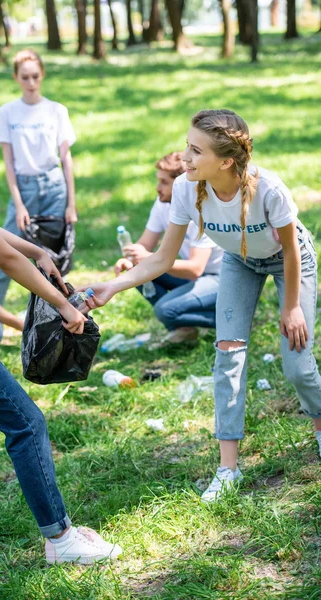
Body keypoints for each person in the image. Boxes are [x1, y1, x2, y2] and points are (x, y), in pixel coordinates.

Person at [0, 74, 122, 568]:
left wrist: (38, 249)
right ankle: (60, 540)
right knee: (27, 424)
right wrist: (67, 305)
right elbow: (5, 262)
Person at [81, 109, 321, 503]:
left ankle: (320, 427)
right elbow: (160, 259)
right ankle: (228, 469)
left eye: (195, 151)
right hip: (239, 262)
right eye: (187, 146)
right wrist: (112, 287)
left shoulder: (269, 190)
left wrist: (291, 306)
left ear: (225, 161)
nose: (186, 158)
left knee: (296, 364)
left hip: (290, 263)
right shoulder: (185, 189)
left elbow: (292, 251)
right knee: (227, 356)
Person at [0, 49, 77, 307]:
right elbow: (9, 163)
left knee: (55, 256)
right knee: (4, 250)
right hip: (23, 189)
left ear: (43, 75)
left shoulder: (57, 110)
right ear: (16, 77)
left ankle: (57, 316)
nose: (31, 82)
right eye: (25, 77)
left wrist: (71, 203)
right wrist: (19, 204)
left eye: (36, 76)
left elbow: (66, 159)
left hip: (54, 188)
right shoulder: (6, 113)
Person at [114, 151, 222, 343]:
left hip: (219, 279)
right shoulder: (162, 203)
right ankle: (184, 329)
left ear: (183, 184)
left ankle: (231, 320)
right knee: (137, 270)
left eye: (164, 182)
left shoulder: (201, 210)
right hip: (195, 278)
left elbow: (195, 269)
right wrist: (130, 258)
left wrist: (147, 257)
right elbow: (145, 243)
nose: (158, 188)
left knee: (165, 310)